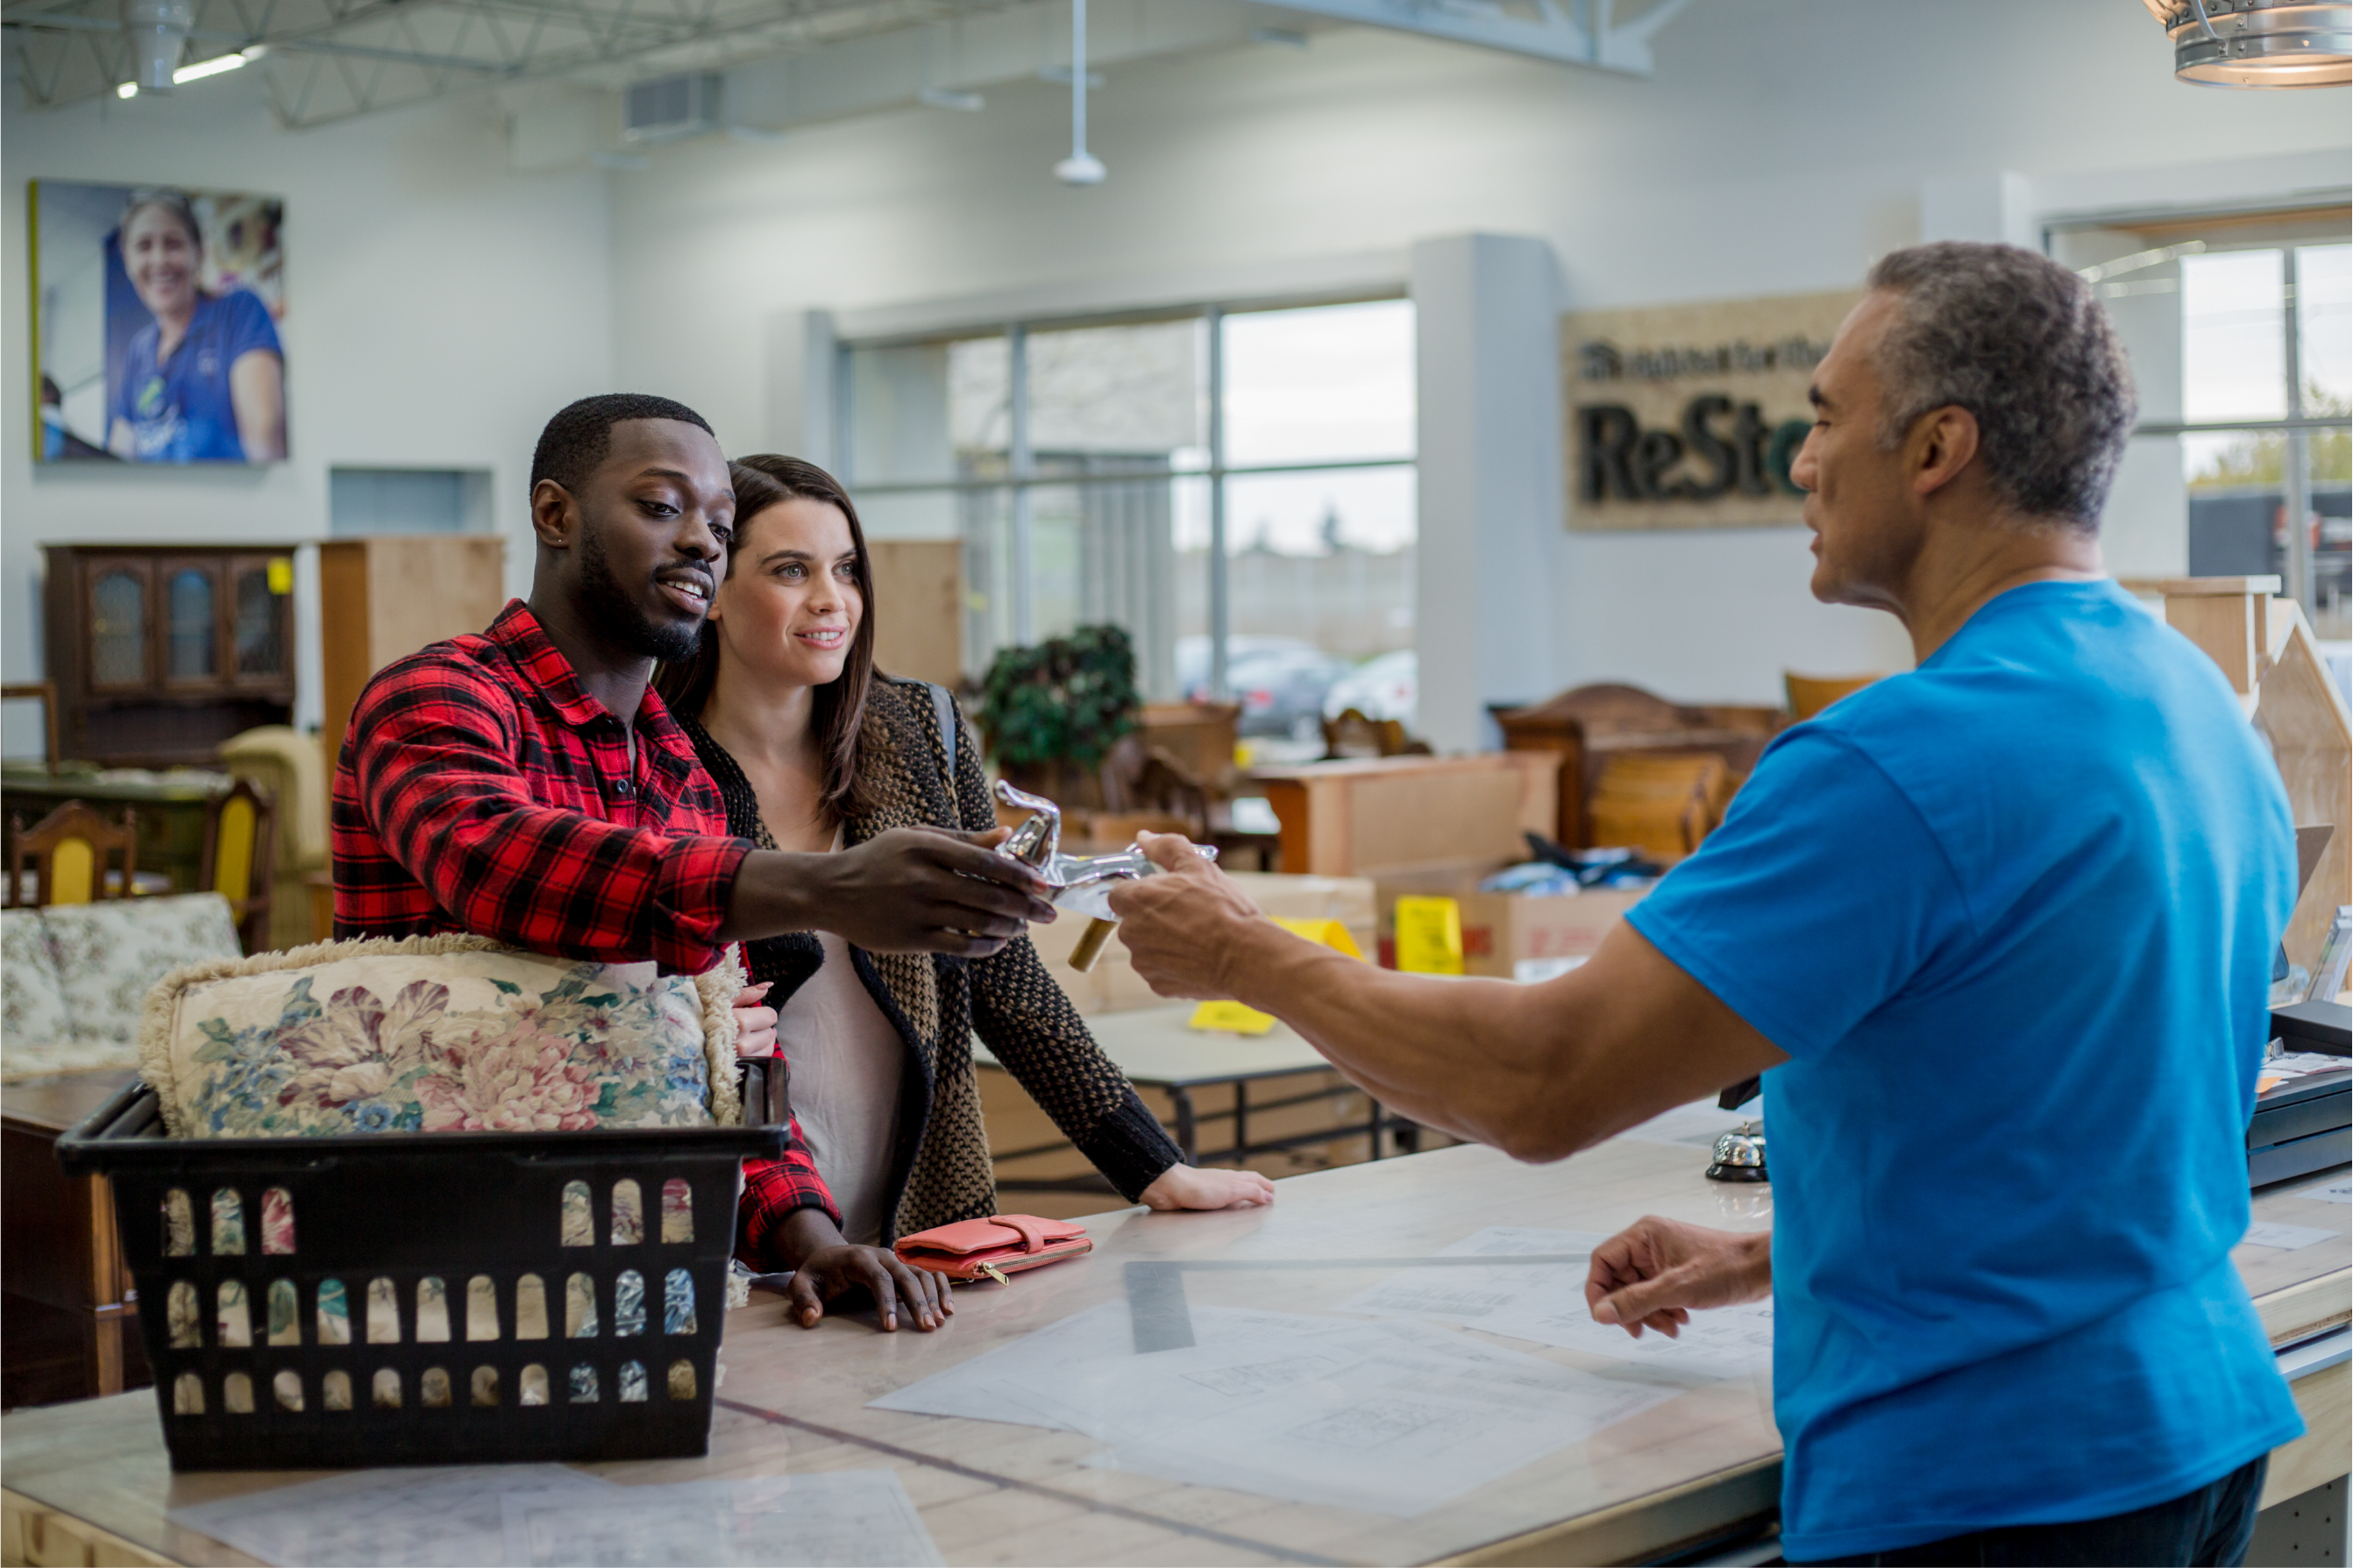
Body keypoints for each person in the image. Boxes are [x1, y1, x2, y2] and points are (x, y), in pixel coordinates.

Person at [1107, 243, 2301, 1565]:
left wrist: (1245, 951)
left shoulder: (1895, 760)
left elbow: (1546, 1083)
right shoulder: (2196, 708)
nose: (1800, 459)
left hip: (1991, 1483)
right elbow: (2080, 1111)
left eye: (1826, 415)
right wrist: (1782, 1255)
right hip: (2193, 1428)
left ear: (1936, 449)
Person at [335, 393, 1063, 1336]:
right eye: (661, 506)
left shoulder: (676, 767)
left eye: (718, 523)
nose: (700, 542)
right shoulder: (438, 696)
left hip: (622, 1270)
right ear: (554, 515)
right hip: (440, 1258)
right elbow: (503, 867)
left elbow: (717, 1058)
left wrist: (812, 1239)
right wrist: (826, 889)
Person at [652, 454, 1272, 1255]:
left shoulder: (917, 732)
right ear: (715, 594)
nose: (830, 600)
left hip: (923, 1207)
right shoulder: (655, 766)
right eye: (789, 570)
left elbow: (1004, 974)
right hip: (737, 1220)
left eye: (846, 569)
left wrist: (1152, 1166)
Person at [105, 189, 287, 464]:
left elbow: (266, 442)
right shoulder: (138, 351)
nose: (159, 260)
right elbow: (119, 458)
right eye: (143, 246)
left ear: (199, 253)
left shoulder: (239, 312)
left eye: (173, 244)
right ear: (127, 260)